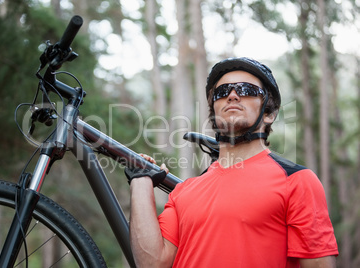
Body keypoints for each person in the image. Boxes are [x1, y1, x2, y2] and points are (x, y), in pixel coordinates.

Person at [127, 57, 339, 267]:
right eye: (222, 92)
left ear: (268, 114)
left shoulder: (296, 180)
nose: (232, 95)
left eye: (246, 90)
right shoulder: (184, 191)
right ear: (213, 113)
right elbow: (152, 263)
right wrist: (140, 181)